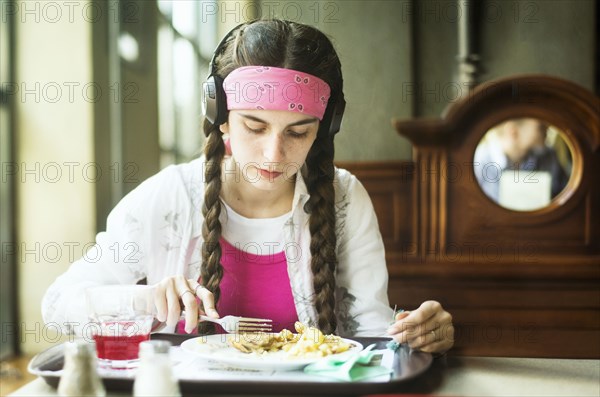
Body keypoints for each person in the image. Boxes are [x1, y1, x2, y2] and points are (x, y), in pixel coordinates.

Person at [42, 19, 454, 354]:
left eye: (298, 132)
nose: (274, 155)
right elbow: (58, 306)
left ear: (325, 129)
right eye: (254, 127)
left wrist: (417, 335)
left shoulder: (344, 198)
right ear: (220, 116)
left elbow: (375, 337)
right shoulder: (169, 197)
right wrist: (148, 300)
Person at [474, 118, 570, 204]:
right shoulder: (478, 162)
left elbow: (566, 195)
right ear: (514, 132)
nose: (547, 128)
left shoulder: (549, 156)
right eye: (540, 126)